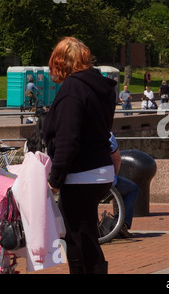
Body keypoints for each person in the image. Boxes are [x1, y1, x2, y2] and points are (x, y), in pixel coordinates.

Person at [43, 36, 116, 273]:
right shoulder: (101, 86)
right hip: (101, 170)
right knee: (86, 237)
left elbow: (68, 139)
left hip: (80, 175)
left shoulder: (73, 89)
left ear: (62, 62)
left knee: (78, 240)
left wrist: (55, 180)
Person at [109, 133, 139, 238]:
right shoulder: (107, 133)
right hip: (105, 182)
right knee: (132, 188)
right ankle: (121, 223)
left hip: (76, 179)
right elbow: (117, 159)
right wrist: (114, 175)